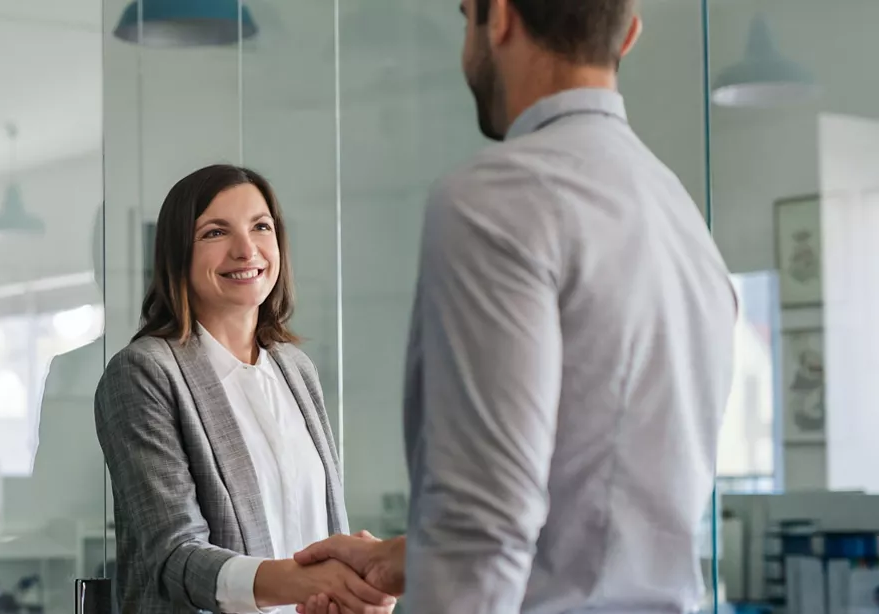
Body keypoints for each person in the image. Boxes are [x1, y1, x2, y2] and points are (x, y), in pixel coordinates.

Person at [294, 0, 737, 612]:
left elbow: (482, 526)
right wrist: (404, 558)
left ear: (497, 17)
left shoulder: (496, 199)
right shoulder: (683, 219)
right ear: (628, 36)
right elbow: (603, 508)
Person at [94, 164, 396, 614]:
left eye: (261, 226)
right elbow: (174, 557)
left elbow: (320, 527)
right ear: (179, 253)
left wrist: (350, 591)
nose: (246, 249)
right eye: (216, 233)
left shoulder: (295, 369)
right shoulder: (143, 373)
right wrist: (309, 580)